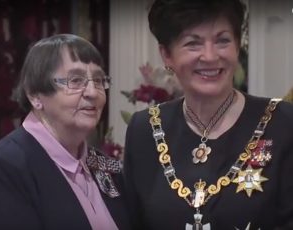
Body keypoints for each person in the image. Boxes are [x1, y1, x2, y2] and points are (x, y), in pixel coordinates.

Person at [123, 0, 293, 229]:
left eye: (222, 41)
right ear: (166, 55)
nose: (210, 56)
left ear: (237, 46)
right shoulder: (145, 129)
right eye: (193, 44)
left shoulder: (283, 122)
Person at [0, 34, 131, 230]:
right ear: (34, 94)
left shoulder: (102, 164)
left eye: (99, 80)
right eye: (76, 80)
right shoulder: (4, 167)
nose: (93, 92)